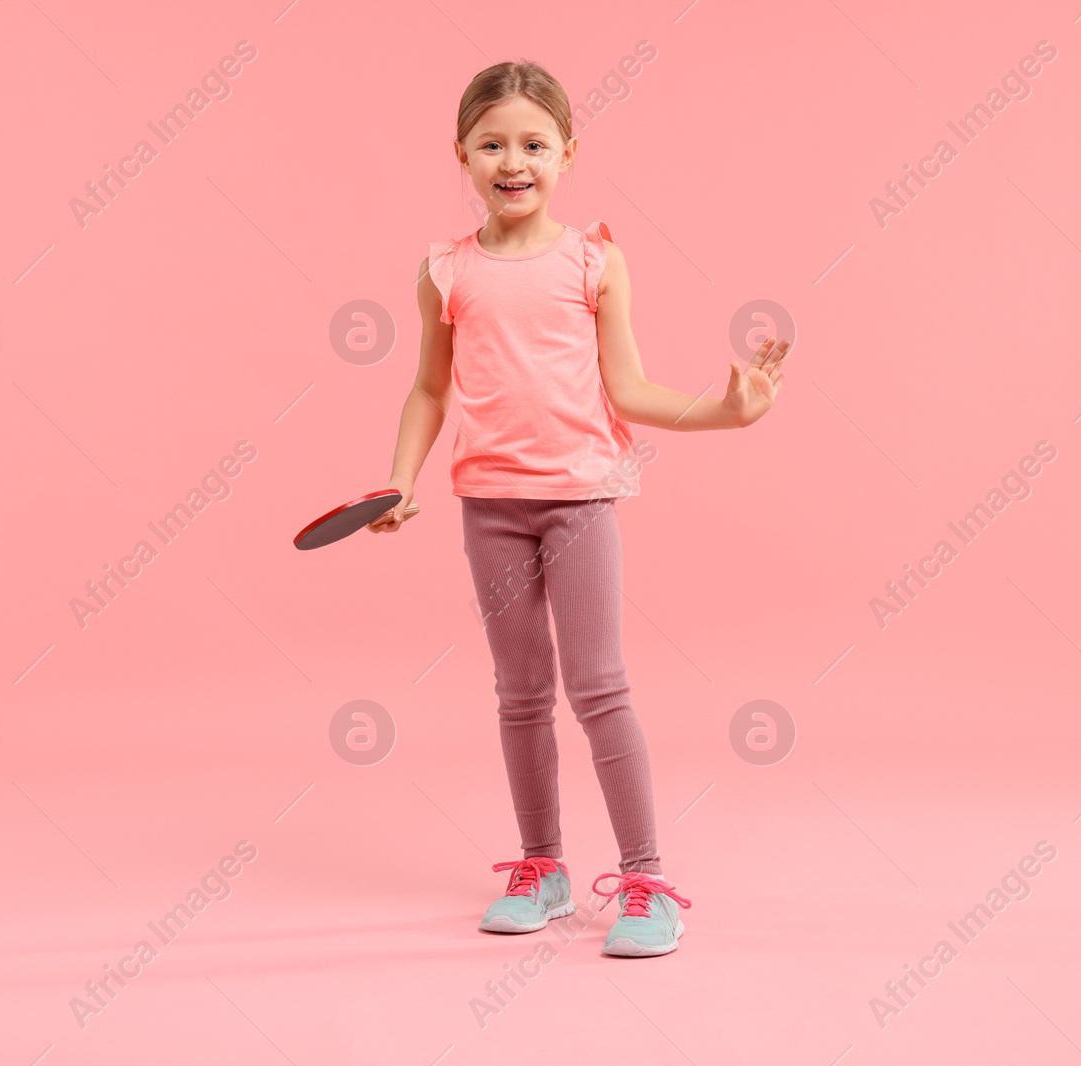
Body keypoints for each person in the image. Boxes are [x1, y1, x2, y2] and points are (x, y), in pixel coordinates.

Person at [370, 59, 789, 957]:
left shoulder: (594, 259)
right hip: (487, 505)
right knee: (519, 695)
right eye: (492, 144)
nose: (512, 160)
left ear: (567, 153)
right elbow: (428, 392)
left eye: (532, 143)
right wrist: (401, 480)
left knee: (599, 689)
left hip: (582, 502)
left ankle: (647, 883)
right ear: (461, 155)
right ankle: (544, 870)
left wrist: (726, 411)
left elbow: (627, 388)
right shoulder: (445, 272)